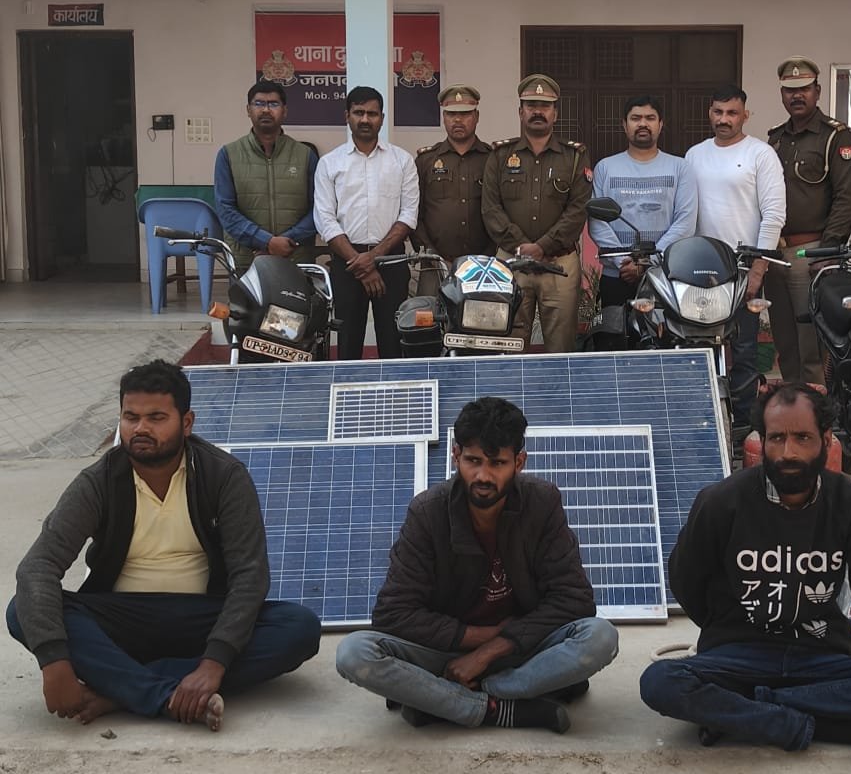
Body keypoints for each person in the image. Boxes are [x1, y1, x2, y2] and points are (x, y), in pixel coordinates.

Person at [639, 383, 851, 758]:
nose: (788, 452)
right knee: (660, 681)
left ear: (826, 440)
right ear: (762, 441)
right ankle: (814, 722)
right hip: (738, 657)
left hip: (819, 657)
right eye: (777, 438)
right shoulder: (721, 501)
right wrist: (727, 629)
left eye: (802, 437)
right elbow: (686, 580)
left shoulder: (849, 503)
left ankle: (752, 711)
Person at [6, 360, 321, 731]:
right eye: (131, 417)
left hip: (203, 617)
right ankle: (164, 694)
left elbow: (249, 577)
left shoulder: (224, 476)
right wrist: (53, 660)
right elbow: (38, 567)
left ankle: (123, 690)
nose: (140, 428)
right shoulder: (98, 482)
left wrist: (214, 663)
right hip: (122, 619)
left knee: (298, 627)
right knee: (22, 609)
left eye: (156, 417)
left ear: (186, 423)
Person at [335, 397, 619, 733]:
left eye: (497, 463)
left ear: (519, 462)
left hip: (522, 648)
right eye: (473, 461)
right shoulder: (427, 513)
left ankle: (446, 699)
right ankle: (499, 709)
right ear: (455, 456)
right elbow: (392, 613)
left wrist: (490, 652)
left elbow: (574, 599)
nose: (483, 475)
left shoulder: (542, 503)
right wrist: (481, 638)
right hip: (446, 653)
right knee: (354, 653)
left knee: (601, 637)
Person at [685, 86, 786, 427]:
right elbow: (687, 213)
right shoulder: (694, 155)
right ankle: (702, 423)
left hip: (744, 268)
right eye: (718, 112)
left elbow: (774, 214)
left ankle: (743, 425)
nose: (724, 119)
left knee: (743, 350)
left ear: (745, 115)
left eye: (732, 113)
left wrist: (759, 268)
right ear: (709, 113)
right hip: (701, 268)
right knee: (700, 347)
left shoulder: (761, 154)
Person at [481, 76, 592, 353]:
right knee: (508, 346)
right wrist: (522, 247)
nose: (538, 111)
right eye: (531, 105)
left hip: (559, 264)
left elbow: (577, 210)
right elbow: (491, 208)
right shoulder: (500, 155)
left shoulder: (574, 156)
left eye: (545, 106)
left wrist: (542, 247)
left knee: (561, 348)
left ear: (555, 114)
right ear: (521, 112)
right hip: (511, 263)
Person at [767, 57, 851, 384]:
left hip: (812, 252)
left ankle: (817, 407)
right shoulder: (775, 139)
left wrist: (828, 250)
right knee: (784, 341)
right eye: (790, 90)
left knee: (812, 346)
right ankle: (794, 403)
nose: (797, 95)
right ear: (782, 94)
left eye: (804, 89)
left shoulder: (836, 137)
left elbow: (846, 198)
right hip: (775, 254)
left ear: (817, 91)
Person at [314, 85, 419, 360]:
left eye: (372, 114)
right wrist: (360, 263)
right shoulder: (329, 163)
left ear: (382, 118)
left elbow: (408, 215)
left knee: (394, 342)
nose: (365, 119)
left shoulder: (402, 161)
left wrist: (373, 258)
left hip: (391, 260)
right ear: (346, 116)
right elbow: (325, 219)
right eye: (358, 112)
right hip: (346, 262)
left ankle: (395, 387)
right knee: (347, 343)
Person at [589, 94, 698, 344]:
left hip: (665, 277)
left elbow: (685, 222)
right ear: (624, 124)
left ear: (661, 124)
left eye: (650, 118)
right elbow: (597, 221)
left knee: (665, 346)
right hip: (617, 276)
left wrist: (647, 263)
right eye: (635, 118)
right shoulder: (605, 167)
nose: (643, 124)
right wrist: (625, 263)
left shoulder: (680, 168)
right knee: (613, 347)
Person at [213, 79, 318, 270]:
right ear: (248, 110)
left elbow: (319, 209)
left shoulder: (305, 155)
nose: (266, 110)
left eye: (273, 104)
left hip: (296, 259)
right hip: (247, 262)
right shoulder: (228, 154)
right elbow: (225, 210)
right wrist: (265, 241)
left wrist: (286, 242)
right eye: (259, 103)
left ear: (285, 110)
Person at [413, 84, 494, 295]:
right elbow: (415, 213)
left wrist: (487, 254)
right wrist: (432, 253)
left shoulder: (492, 159)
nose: (458, 120)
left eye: (465, 114)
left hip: (483, 264)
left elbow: (500, 210)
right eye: (451, 114)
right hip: (434, 263)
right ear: (443, 118)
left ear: (476, 117)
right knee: (429, 314)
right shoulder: (426, 161)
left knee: (481, 314)